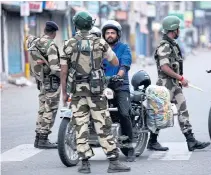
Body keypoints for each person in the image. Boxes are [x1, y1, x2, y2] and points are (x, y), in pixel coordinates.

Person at [60, 11, 130, 174]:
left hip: (77, 92)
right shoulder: (100, 42)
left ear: (76, 25)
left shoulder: (68, 44)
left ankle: (84, 164)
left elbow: (63, 71)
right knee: (103, 124)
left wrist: (64, 93)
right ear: (91, 25)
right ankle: (113, 162)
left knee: (81, 126)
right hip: (96, 91)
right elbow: (114, 61)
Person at [151, 15, 211, 152]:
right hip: (165, 86)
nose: (180, 31)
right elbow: (164, 67)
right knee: (161, 113)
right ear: (174, 29)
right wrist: (180, 78)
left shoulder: (172, 44)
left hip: (174, 85)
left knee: (183, 110)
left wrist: (178, 80)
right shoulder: (164, 46)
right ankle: (152, 140)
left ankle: (191, 141)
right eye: (178, 28)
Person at [101, 20, 135, 162]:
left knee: (123, 113)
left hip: (120, 86)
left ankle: (129, 145)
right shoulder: (100, 48)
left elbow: (125, 64)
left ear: (118, 35)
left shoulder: (124, 48)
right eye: (107, 33)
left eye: (112, 33)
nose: (109, 35)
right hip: (102, 86)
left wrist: (118, 76)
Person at [27, 21, 61, 149]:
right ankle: (43, 139)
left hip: (41, 80)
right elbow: (54, 68)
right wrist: (64, 77)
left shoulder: (35, 42)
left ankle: (38, 138)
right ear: (53, 33)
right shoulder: (50, 45)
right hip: (51, 81)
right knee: (50, 109)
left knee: (42, 108)